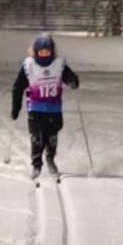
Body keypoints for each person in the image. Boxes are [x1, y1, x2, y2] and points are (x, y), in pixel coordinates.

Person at [11, 33, 79, 180]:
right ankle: (36, 164)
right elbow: (18, 87)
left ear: (52, 51)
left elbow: (69, 77)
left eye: (47, 51)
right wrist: (16, 108)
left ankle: (50, 160)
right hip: (35, 109)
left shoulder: (59, 64)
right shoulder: (28, 66)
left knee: (52, 138)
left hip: (54, 109)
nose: (44, 54)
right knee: (37, 138)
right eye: (41, 51)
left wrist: (73, 81)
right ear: (36, 52)